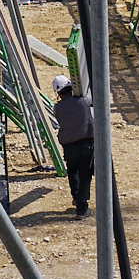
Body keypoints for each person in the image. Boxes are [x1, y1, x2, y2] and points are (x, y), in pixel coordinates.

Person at [52, 75, 94, 219]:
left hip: (69, 145)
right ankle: (82, 209)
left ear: (58, 93)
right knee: (85, 175)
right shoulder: (84, 101)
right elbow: (94, 101)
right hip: (85, 143)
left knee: (73, 171)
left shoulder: (57, 108)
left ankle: (77, 198)